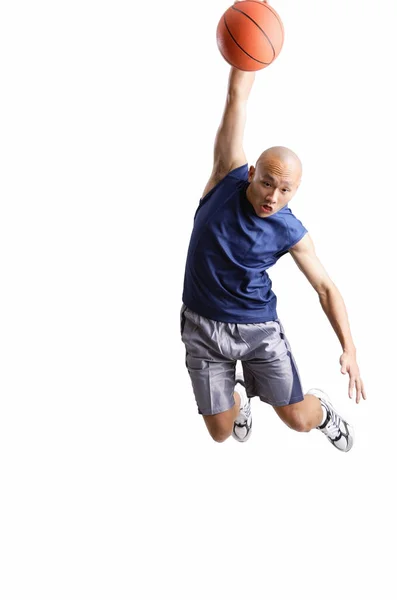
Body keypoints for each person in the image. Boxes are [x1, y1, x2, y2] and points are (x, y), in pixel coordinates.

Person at [180, 64, 366, 452]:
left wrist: (348, 346)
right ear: (251, 173)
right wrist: (248, 54)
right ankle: (238, 399)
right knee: (219, 431)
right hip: (203, 325)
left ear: (295, 190)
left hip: (257, 329)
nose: (273, 197)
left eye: (285, 190)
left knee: (298, 419)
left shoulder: (289, 229)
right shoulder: (224, 177)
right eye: (267, 182)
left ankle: (325, 414)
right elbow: (237, 97)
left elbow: (325, 287)